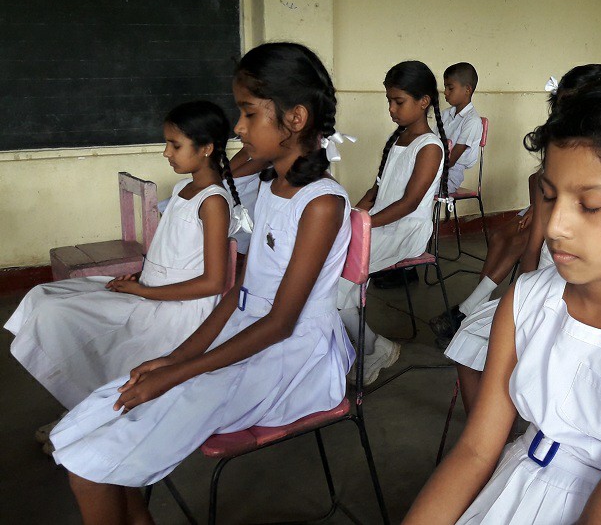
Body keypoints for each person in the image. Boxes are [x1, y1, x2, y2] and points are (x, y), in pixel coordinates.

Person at [49, 42, 353, 525]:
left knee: (95, 464)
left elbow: (279, 322)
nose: (238, 127)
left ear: (295, 118)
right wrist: (177, 357)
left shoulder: (321, 204)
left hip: (294, 361)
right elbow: (239, 293)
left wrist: (179, 373)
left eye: (249, 113)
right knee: (102, 421)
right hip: (252, 336)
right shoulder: (274, 186)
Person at [405, 73, 601, 524]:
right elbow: (476, 451)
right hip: (515, 484)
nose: (555, 226)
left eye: (590, 206)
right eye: (550, 197)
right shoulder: (527, 300)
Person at [6, 100, 239, 413]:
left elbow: (212, 283)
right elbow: (174, 254)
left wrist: (146, 291)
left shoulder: (213, 202)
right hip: (152, 294)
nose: (166, 153)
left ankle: (90, 413)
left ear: (206, 148)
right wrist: (142, 279)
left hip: (177, 312)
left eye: (175, 144)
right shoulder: (185, 187)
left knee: (65, 319)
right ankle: (81, 407)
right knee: (45, 297)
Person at [435, 64, 601, 413]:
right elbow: (540, 221)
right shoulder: (558, 161)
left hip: (591, 293)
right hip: (551, 279)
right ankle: (490, 436)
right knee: (470, 338)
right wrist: (523, 291)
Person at [339, 60, 449, 386]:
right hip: (381, 224)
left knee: (331, 291)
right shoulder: (398, 140)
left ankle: (373, 347)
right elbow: (376, 191)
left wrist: (362, 226)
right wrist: (351, 218)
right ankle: (374, 345)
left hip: (406, 230)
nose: (391, 109)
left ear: (424, 101)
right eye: (388, 100)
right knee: (333, 280)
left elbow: (409, 203)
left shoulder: (430, 147)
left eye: (398, 101)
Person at [442, 62, 483, 194]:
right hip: (434, 168)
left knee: (413, 188)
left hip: (450, 176)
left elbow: (451, 160)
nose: (445, 92)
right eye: (445, 87)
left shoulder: (473, 121)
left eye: (450, 88)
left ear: (467, 90)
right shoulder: (445, 114)